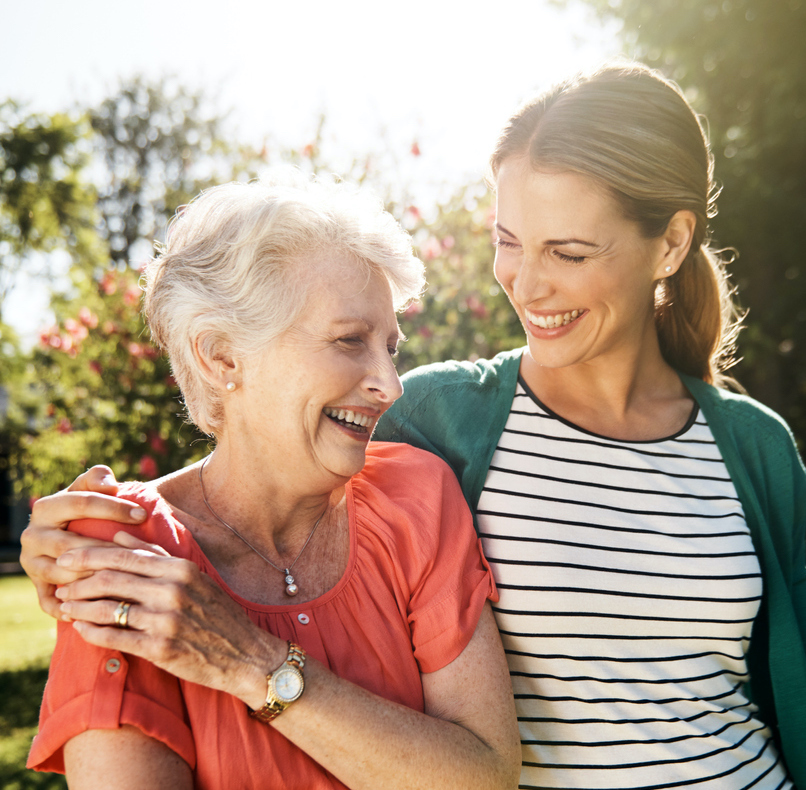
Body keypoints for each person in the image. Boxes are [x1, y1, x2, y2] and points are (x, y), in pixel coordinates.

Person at [22, 62, 806, 790]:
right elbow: (260, 452)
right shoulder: (443, 420)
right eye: (508, 241)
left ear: (672, 243)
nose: (527, 285)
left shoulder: (754, 447)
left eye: (568, 252)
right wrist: (81, 542)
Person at [22, 173, 522, 790]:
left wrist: (252, 662)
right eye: (349, 341)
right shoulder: (124, 550)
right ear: (222, 357)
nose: (391, 385)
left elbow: (484, 776)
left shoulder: (414, 495)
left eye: (390, 347)